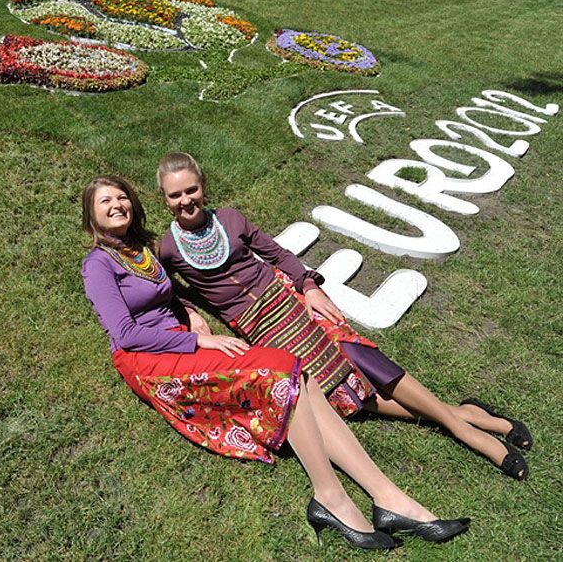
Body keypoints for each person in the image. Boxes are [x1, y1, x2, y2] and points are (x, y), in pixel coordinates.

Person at [81, 176, 470, 552]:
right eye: (105, 201)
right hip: (150, 360)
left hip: (177, 342)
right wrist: (197, 339)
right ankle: (330, 496)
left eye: (121, 197)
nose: (117, 205)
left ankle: (388, 498)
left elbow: (164, 292)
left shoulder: (142, 248)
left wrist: (187, 310)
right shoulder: (97, 264)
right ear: (91, 215)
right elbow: (126, 334)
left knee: (297, 371)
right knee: (281, 373)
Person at [156, 152, 532, 482]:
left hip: (286, 298)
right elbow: (163, 291)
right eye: (176, 195)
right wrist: (190, 312)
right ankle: (469, 415)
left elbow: (278, 255)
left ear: (203, 186)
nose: (186, 200)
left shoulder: (231, 219)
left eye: (192, 190)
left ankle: (468, 432)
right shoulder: (168, 249)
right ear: (165, 199)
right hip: (259, 325)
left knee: (359, 357)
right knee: (346, 395)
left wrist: (309, 286)